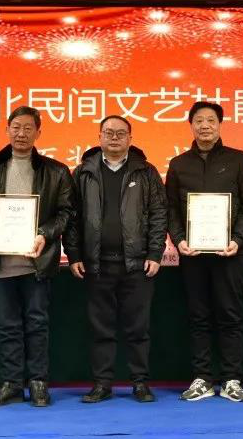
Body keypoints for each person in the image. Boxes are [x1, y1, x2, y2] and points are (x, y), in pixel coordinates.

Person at [0, 106, 76, 408]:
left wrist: (44, 233)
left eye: (28, 128)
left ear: (38, 132)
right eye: (16, 127)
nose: (21, 133)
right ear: (7, 129)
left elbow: (66, 213)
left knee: (37, 324)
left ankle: (39, 383)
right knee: (7, 327)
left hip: (36, 264)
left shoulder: (56, 171)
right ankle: (11, 384)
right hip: (0, 263)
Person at [65, 116, 167, 404]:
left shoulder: (146, 172)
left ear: (130, 139)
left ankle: (140, 383)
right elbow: (72, 218)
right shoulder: (83, 172)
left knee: (138, 328)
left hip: (137, 265)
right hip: (96, 264)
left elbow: (159, 214)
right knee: (101, 329)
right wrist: (74, 254)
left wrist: (155, 253)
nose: (114, 138)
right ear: (99, 137)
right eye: (108, 132)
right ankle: (102, 384)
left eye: (121, 133)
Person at [166, 101, 243, 403]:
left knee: (231, 316)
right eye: (199, 121)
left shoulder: (238, 159)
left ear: (220, 125)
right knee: (198, 317)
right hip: (193, 255)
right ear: (191, 125)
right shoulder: (179, 164)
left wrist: (239, 239)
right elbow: (171, 209)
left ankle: (232, 379)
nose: (205, 126)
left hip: (229, 254)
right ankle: (203, 378)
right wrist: (179, 239)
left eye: (210, 120)